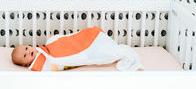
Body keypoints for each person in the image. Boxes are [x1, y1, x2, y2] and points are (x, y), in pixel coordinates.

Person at [11, 26, 143, 71]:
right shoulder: (38, 64)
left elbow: (61, 43)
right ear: (26, 64)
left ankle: (95, 40)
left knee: (84, 40)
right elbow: (50, 66)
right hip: (69, 55)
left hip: (70, 46)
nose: (29, 51)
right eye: (25, 55)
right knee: (94, 53)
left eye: (27, 48)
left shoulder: (43, 50)